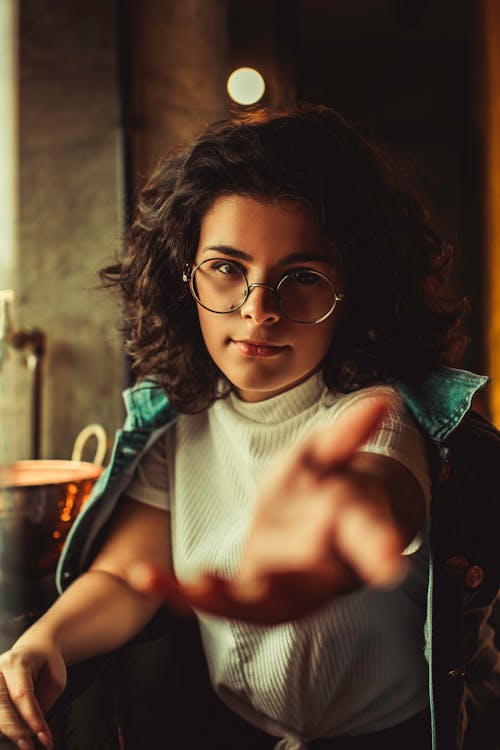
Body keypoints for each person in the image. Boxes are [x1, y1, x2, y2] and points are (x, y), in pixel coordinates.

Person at [0, 104, 496, 750]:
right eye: (228, 268)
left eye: (302, 278)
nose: (258, 309)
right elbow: (124, 577)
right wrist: (43, 642)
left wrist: (336, 528)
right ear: (186, 275)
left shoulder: (377, 413)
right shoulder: (179, 424)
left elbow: (379, 494)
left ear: (356, 289)